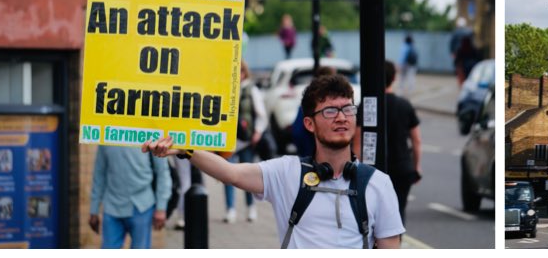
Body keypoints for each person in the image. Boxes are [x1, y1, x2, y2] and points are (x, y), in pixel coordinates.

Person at [144, 72, 403, 248]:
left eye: (348, 109)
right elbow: (230, 173)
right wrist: (182, 149)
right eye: (330, 110)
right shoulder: (287, 171)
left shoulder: (378, 184)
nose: (342, 117)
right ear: (309, 124)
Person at [89, 144, 171, 249]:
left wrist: (161, 208)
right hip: (112, 207)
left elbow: (162, 172)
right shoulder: (107, 134)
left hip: (141, 207)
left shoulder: (148, 133)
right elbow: (99, 173)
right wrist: (94, 209)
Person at [224, 62, 270, 224]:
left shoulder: (252, 90)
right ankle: (230, 209)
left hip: (246, 139)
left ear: (245, 72)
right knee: (226, 175)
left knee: (247, 177)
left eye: (240, 71)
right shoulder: (227, 88)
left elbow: (261, 113)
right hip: (229, 141)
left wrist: (257, 132)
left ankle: (251, 208)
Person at [384, 60, 422, 224]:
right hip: (402, 167)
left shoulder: (368, 105)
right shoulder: (405, 105)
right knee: (399, 210)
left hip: (377, 168)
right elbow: (416, 140)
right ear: (394, 78)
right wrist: (416, 167)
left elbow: (357, 142)